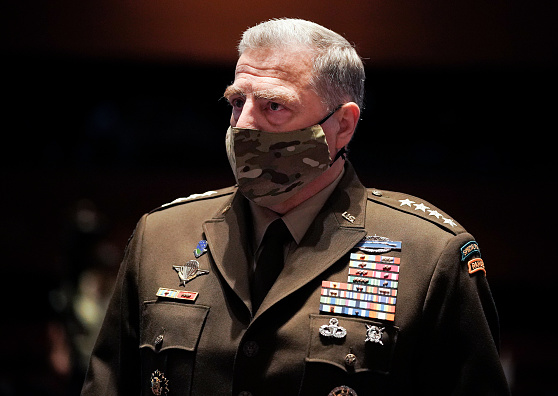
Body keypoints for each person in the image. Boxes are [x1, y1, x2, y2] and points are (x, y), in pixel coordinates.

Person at [81, 18, 510, 396]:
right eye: (236, 102)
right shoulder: (161, 235)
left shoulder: (430, 255)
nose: (244, 123)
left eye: (273, 106)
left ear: (342, 125)